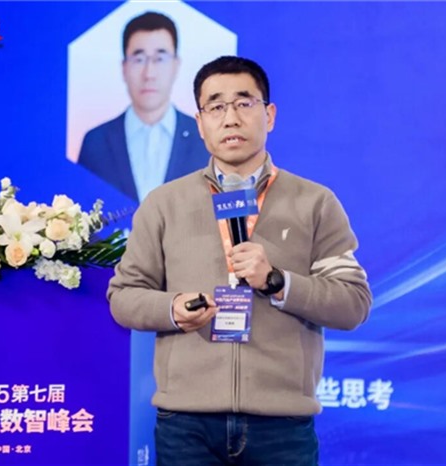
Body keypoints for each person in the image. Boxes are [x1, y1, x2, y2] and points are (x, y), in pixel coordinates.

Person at [108, 56, 372, 465]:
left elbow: (353, 303)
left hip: (282, 426)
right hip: (187, 424)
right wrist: (173, 308)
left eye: (244, 103)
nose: (230, 117)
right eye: (216, 106)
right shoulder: (163, 204)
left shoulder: (315, 202)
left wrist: (278, 281)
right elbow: (124, 296)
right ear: (200, 123)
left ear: (270, 115)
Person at [77, 11, 209, 203]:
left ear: (176, 65)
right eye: (139, 59)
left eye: (160, 58)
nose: (149, 73)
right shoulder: (95, 142)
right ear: (124, 67)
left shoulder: (204, 138)